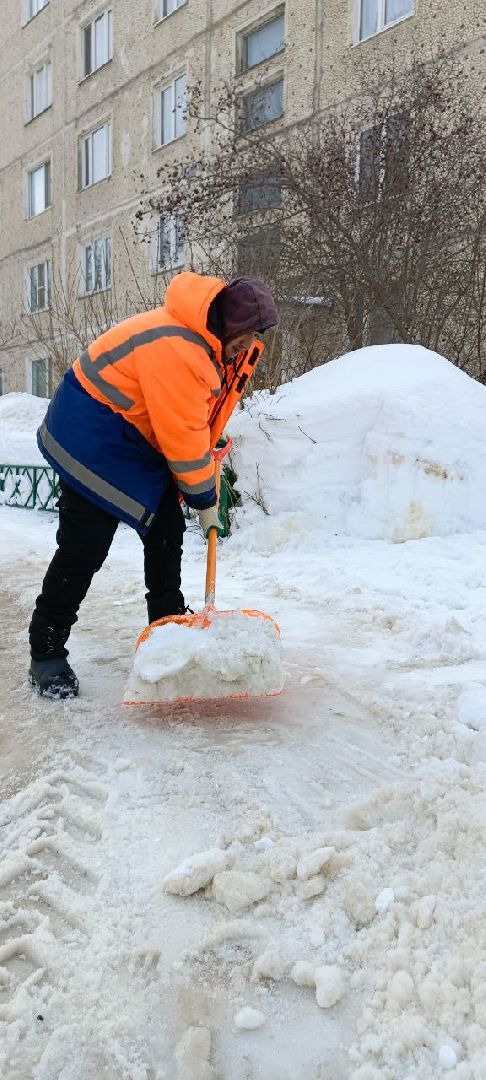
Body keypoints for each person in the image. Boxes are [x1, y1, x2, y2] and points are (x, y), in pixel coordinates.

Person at [28, 271, 278, 699]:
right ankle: (46, 651)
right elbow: (182, 439)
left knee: (166, 528)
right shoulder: (180, 349)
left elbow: (193, 428)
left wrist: (203, 480)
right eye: (244, 335)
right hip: (92, 434)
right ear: (227, 324)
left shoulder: (206, 346)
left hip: (134, 435)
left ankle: (168, 627)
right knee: (84, 546)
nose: (246, 344)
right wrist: (205, 497)